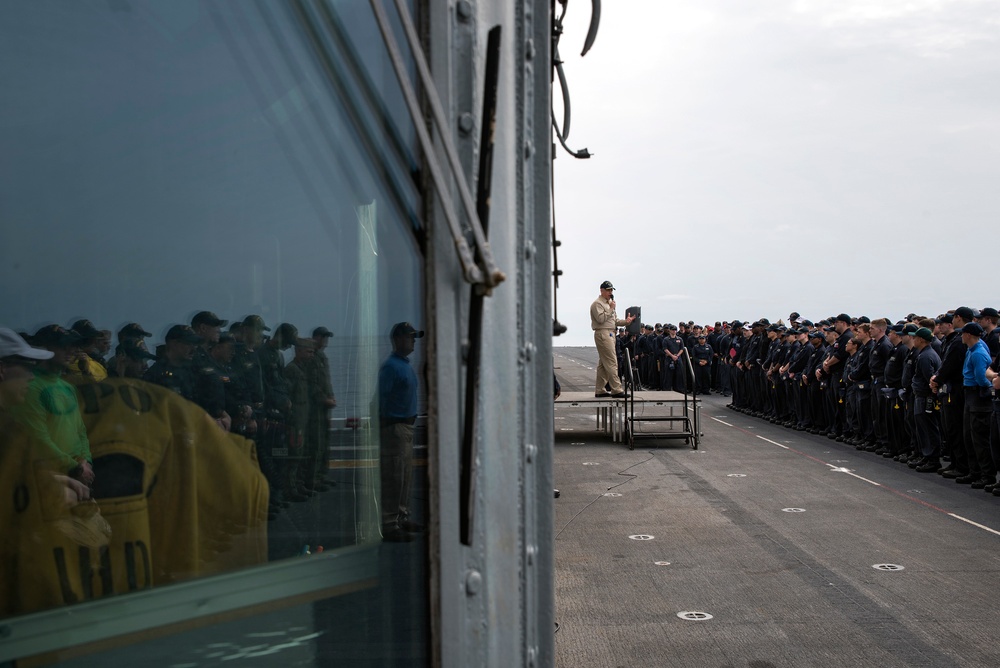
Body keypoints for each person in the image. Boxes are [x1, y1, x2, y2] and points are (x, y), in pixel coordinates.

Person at [11, 325, 95, 485]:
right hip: (45, 478)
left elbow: (80, 431)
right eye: (64, 345)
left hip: (76, 474)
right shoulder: (28, 386)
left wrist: (86, 461)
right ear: (43, 348)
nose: (71, 350)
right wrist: (76, 468)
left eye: (74, 345)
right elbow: (36, 438)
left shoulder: (68, 387)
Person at [378, 322, 424, 542]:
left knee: (405, 475)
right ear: (397, 340)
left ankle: (402, 517)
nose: (413, 340)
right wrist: (386, 427)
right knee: (394, 476)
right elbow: (380, 399)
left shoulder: (404, 365)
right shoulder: (391, 367)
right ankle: (389, 523)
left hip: (406, 427)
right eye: (409, 337)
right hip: (395, 428)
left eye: (414, 337)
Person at [590, 281, 635, 397]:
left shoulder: (610, 303)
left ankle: (600, 389)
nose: (610, 292)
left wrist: (626, 321)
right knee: (612, 362)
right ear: (602, 290)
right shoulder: (597, 304)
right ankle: (616, 389)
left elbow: (614, 321)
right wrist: (610, 309)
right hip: (603, 333)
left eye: (611, 290)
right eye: (608, 290)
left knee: (603, 364)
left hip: (611, 332)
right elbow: (600, 319)